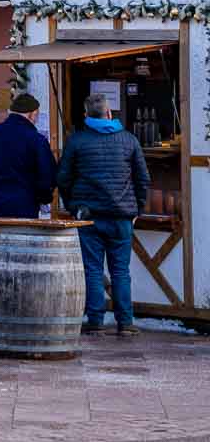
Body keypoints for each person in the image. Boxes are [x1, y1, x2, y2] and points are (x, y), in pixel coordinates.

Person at [57, 92, 150, 337]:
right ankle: (125, 321)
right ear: (110, 113)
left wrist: (71, 205)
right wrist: (137, 209)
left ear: (86, 116)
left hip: (88, 216)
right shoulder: (129, 140)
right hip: (121, 216)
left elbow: (63, 178)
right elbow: (143, 179)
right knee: (121, 270)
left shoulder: (77, 141)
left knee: (93, 269)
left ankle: (95, 320)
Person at [0, 92, 57, 218]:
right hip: (25, 205)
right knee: (22, 237)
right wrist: (44, 198)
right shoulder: (36, 140)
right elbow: (47, 175)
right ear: (32, 114)